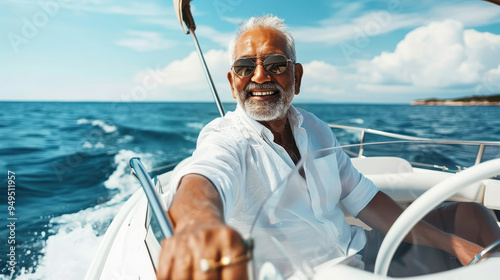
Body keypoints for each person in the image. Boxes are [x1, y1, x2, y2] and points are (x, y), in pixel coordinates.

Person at [156, 15, 500, 280]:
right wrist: (197, 227)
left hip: (361, 250)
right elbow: (202, 180)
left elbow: (365, 201)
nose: (260, 76)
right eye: (245, 67)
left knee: (471, 215)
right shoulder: (226, 137)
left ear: (297, 77)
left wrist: (452, 243)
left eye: (275, 64)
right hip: (312, 273)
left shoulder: (315, 128)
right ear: (233, 84)